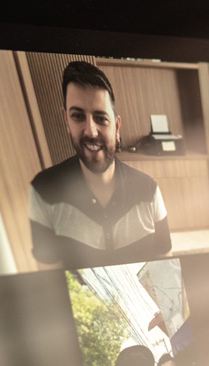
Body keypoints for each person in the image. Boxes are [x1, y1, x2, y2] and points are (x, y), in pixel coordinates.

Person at [28, 61, 171, 268]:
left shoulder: (149, 191)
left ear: (117, 126)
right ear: (66, 121)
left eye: (101, 118)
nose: (91, 131)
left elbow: (166, 269)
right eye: (77, 117)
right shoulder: (43, 192)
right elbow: (51, 284)